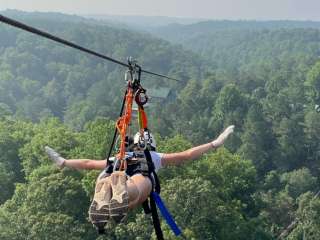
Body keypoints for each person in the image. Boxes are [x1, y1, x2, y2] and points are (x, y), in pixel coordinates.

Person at [45, 125, 235, 228]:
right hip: (137, 178)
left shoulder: (120, 155)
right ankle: (122, 193)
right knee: (140, 189)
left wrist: (64, 162)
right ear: (151, 145)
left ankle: (105, 190)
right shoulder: (154, 157)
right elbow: (186, 155)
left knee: (109, 180)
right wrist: (214, 143)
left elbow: (88, 164)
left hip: (113, 171)